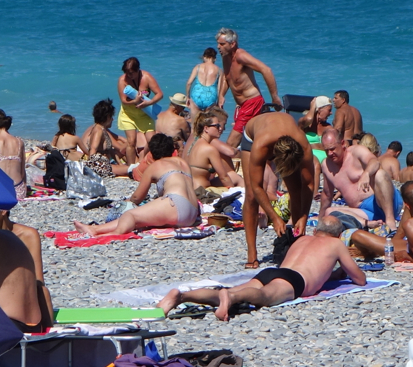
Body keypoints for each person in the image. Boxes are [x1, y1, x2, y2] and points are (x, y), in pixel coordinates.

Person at [156, 216, 365, 320]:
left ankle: (181, 296)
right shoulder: (336, 244)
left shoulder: (302, 239)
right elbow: (359, 279)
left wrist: (332, 275)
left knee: (228, 291)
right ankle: (232, 298)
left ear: (316, 230)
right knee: (263, 296)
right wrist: (341, 271)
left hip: (272, 272)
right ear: (338, 235)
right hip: (294, 280)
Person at [233, 110, 315, 267]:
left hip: (284, 134)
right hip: (254, 134)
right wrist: (275, 218)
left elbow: (309, 185)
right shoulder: (261, 145)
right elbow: (257, 187)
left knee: (296, 189)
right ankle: (252, 253)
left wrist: (304, 216)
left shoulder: (303, 146)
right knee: (251, 196)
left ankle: (295, 241)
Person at [73, 134, 198, 236]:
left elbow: (137, 197)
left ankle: (111, 234)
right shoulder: (183, 163)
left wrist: (127, 201)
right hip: (192, 212)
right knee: (140, 219)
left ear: (152, 153)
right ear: (171, 150)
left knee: (130, 215)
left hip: (176, 205)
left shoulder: (155, 166)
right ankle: (95, 229)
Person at [316, 127, 399, 232]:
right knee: (329, 212)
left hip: (384, 201)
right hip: (363, 212)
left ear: (343, 143)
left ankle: (390, 221)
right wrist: (320, 220)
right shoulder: (326, 165)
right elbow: (327, 195)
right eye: (326, 150)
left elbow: (375, 161)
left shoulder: (356, 151)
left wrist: (366, 173)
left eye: (332, 149)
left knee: (380, 174)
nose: (329, 153)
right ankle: (366, 223)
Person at [216, 27, 279, 145]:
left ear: (232, 44)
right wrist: (221, 95)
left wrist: (274, 97)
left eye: (222, 44)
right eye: (218, 44)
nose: (218, 47)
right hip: (241, 106)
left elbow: (266, 70)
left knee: (231, 144)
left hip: (252, 103)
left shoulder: (241, 56)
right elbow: (226, 76)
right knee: (248, 142)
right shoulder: (225, 57)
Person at [115, 57, 163, 155]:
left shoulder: (147, 77)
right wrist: (135, 101)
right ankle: (131, 164)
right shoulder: (122, 80)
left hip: (145, 113)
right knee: (131, 142)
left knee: (152, 142)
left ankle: (143, 160)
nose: (128, 75)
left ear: (138, 70)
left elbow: (159, 94)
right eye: (126, 72)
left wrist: (149, 103)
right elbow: (123, 101)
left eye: (131, 73)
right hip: (129, 114)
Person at [187, 111, 241, 191]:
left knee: (233, 176)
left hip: (191, 188)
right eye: (217, 126)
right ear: (206, 128)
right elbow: (224, 177)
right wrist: (233, 193)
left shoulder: (193, 143)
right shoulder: (209, 149)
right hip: (202, 191)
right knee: (236, 178)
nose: (220, 128)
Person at [80, 99, 135, 176]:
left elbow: (111, 150)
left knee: (131, 168)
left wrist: (119, 163)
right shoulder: (98, 130)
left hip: (105, 164)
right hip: (101, 165)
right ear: (107, 117)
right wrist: (92, 167)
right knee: (133, 169)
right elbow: (93, 149)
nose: (112, 119)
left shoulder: (102, 129)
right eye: (111, 116)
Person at [0, 109, 26, 200]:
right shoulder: (20, 142)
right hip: (19, 190)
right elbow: (22, 171)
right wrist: (25, 188)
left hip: (0, 190)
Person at [184, 48, 222, 121]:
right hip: (210, 97)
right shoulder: (219, 70)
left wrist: (188, 97)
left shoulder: (197, 67)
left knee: (195, 122)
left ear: (204, 57)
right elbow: (219, 89)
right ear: (215, 58)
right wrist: (218, 102)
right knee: (208, 123)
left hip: (197, 95)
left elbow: (189, 83)